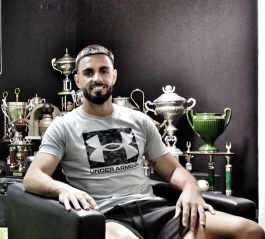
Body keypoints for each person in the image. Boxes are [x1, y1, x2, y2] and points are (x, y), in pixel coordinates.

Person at [24, 44, 265, 239]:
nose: (97, 78)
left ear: (114, 75)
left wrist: (191, 188)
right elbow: (33, 177)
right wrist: (63, 188)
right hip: (106, 216)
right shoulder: (63, 126)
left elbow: (172, 171)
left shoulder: (139, 120)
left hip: (156, 210)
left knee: (251, 231)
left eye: (103, 70)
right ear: (77, 80)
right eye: (88, 72)